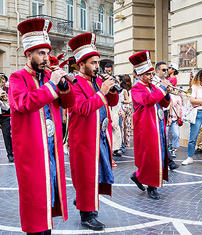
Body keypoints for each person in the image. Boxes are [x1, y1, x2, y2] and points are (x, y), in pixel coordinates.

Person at [9, 18, 75, 234]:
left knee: (50, 190)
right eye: (41, 53)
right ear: (29, 54)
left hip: (52, 147)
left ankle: (46, 226)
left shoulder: (49, 76)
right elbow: (23, 103)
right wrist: (51, 84)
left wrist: (63, 84)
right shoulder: (17, 77)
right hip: (31, 150)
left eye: (47, 53)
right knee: (34, 194)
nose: (46, 58)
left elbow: (68, 103)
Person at [68, 33, 119, 231]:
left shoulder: (97, 81)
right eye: (92, 63)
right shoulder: (75, 84)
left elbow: (112, 102)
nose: (97, 66)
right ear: (81, 64)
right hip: (83, 139)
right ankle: (87, 215)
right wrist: (102, 92)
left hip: (100, 137)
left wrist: (111, 88)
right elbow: (82, 108)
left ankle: (86, 204)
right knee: (86, 176)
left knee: (96, 175)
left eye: (98, 62)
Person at [129, 50, 171, 199]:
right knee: (151, 156)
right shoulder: (136, 88)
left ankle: (138, 176)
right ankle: (151, 187)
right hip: (146, 127)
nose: (151, 77)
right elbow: (148, 100)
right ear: (140, 75)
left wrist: (167, 93)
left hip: (157, 125)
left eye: (152, 74)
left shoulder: (153, 86)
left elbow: (163, 102)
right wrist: (162, 89)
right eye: (148, 74)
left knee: (158, 155)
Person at [182, 69, 202, 167]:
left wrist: (199, 101)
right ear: (200, 76)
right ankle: (189, 157)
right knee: (193, 137)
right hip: (197, 113)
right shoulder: (195, 87)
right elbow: (192, 101)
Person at [153, 61, 179, 170]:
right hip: (153, 112)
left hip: (163, 111)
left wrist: (169, 115)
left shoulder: (166, 81)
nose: (166, 72)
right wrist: (163, 88)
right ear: (157, 70)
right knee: (159, 138)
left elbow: (169, 100)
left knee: (162, 137)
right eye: (164, 70)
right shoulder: (153, 81)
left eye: (167, 70)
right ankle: (168, 162)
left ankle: (168, 161)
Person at [0, 73, 13, 162]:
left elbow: (10, 102)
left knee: (7, 135)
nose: (2, 81)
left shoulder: (7, 89)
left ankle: (10, 154)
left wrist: (4, 99)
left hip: (5, 115)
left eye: (3, 79)